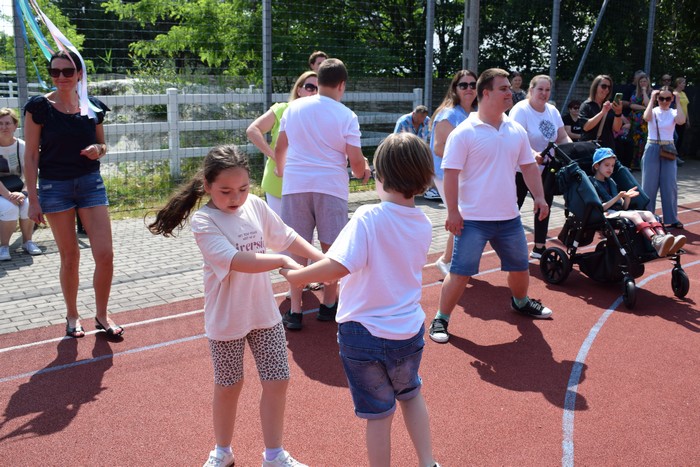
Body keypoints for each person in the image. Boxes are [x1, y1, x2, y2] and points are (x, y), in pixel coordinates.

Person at [148, 145, 323, 467]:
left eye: (242, 188)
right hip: (227, 319)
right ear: (207, 185)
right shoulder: (204, 221)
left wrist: (322, 259)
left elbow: (285, 236)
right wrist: (282, 261)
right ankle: (222, 451)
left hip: (264, 315)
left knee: (278, 380)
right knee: (229, 386)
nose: (236, 197)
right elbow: (236, 259)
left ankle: (274, 455)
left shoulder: (254, 205)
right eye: (226, 191)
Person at [280, 133, 440, 467]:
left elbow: (337, 267)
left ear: (381, 176)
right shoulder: (424, 223)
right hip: (407, 331)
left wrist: (297, 276)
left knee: (379, 415)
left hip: (363, 333)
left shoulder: (368, 216)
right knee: (411, 395)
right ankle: (428, 462)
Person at [429, 68, 553, 345]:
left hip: (509, 218)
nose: (510, 93)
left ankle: (521, 302)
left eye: (509, 88)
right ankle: (441, 318)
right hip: (472, 219)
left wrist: (540, 197)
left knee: (520, 267)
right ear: (486, 93)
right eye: (504, 89)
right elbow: (450, 174)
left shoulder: (515, 130)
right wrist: (453, 212)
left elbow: (528, 166)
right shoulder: (464, 132)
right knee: (460, 273)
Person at [23, 50, 121, 339]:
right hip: (54, 187)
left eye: (67, 71)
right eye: (55, 72)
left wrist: (97, 150)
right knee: (70, 256)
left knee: (105, 255)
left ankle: (102, 314)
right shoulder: (39, 107)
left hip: (90, 184)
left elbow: (103, 145)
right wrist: (33, 199)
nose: (61, 77)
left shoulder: (92, 106)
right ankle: (72, 315)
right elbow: (31, 155)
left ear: (79, 74)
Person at [275, 58, 371, 330]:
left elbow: (281, 147)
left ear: (318, 80)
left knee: (297, 246)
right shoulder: (347, 115)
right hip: (330, 186)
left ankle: (295, 310)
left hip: (296, 184)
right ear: (342, 85)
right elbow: (355, 162)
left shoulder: (294, 108)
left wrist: (282, 171)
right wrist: (363, 170)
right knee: (333, 246)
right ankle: (329, 304)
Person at [510, 75, 572, 258]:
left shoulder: (552, 111)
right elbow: (516, 138)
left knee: (544, 205)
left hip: (547, 168)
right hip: (521, 169)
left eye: (547, 90)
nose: (544, 93)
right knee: (513, 206)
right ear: (531, 90)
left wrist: (570, 150)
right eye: (540, 89)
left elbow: (562, 136)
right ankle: (506, 244)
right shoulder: (521, 110)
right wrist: (532, 154)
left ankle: (539, 247)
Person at [589, 147, 685, 257]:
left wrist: (627, 198)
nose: (610, 168)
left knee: (648, 214)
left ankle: (664, 239)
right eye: (607, 165)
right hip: (606, 214)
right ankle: (655, 240)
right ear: (596, 166)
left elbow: (624, 208)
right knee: (634, 215)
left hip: (617, 212)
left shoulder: (611, 182)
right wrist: (618, 196)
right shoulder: (593, 184)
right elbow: (601, 208)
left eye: (612, 165)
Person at [246, 71, 318, 216]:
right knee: (278, 228)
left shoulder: (321, 115)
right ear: (299, 90)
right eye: (310, 87)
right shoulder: (282, 109)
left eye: (319, 89)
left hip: (306, 186)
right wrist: (275, 157)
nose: (314, 92)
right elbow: (253, 130)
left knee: (301, 230)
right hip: (278, 184)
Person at [429, 69, 478, 278]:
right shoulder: (448, 114)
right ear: (455, 88)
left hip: (465, 174)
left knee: (466, 215)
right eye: (463, 85)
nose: (469, 89)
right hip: (446, 174)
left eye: (473, 85)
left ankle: (452, 259)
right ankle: (446, 260)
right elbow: (439, 148)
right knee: (461, 214)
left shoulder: (475, 114)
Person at [641, 87, 686, 230]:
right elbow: (646, 117)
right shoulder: (653, 111)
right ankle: (648, 217)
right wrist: (652, 99)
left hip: (668, 148)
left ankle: (672, 218)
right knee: (649, 185)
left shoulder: (673, 112)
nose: (664, 101)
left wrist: (677, 101)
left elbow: (681, 121)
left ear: (671, 99)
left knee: (669, 184)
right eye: (661, 98)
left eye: (668, 98)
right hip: (652, 147)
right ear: (657, 99)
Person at [0, 108, 41, 261]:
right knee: (9, 208)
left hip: (17, 189)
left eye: (7, 123)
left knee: (28, 205)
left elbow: (31, 173)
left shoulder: (22, 146)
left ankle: (27, 242)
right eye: (0, 124)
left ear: (15, 125)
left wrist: (23, 193)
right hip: (3, 191)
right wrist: (9, 195)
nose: (4, 127)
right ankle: (4, 246)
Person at [393, 105, 437, 199]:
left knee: (431, 162)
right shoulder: (403, 121)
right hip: (406, 151)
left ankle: (430, 189)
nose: (421, 120)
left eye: (423, 117)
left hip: (421, 150)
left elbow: (431, 137)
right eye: (419, 117)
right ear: (413, 114)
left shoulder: (427, 121)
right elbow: (395, 138)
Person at [578, 74, 624, 150]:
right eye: (604, 86)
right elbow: (586, 127)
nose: (607, 90)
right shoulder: (586, 105)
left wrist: (618, 112)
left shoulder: (609, 106)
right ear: (595, 87)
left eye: (609, 87)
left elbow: (616, 129)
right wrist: (602, 112)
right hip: (590, 149)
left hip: (607, 148)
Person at [628, 73, 651, 169]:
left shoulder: (651, 93)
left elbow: (648, 104)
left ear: (648, 82)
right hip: (635, 121)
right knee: (635, 141)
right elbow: (632, 105)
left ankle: (642, 163)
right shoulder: (635, 92)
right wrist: (644, 108)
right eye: (641, 81)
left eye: (644, 81)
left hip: (645, 122)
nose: (643, 83)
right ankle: (633, 163)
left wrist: (644, 92)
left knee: (644, 141)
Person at [674, 77, 690, 160]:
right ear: (678, 84)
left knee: (680, 137)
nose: (685, 85)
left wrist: (688, 120)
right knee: (675, 137)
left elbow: (686, 107)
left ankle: (677, 155)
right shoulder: (674, 93)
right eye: (683, 83)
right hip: (676, 119)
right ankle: (672, 155)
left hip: (683, 119)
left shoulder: (684, 93)